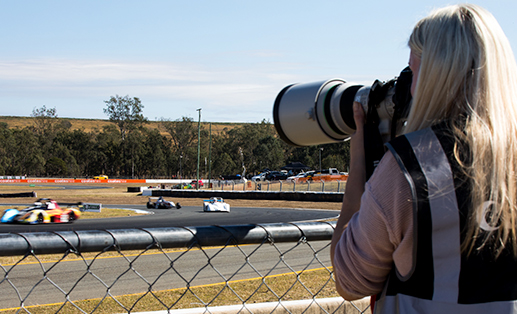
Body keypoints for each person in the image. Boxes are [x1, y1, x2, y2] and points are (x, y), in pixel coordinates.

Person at [330, 4, 517, 313]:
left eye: (412, 71)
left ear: (435, 77)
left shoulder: (410, 167)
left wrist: (359, 162)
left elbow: (351, 281)